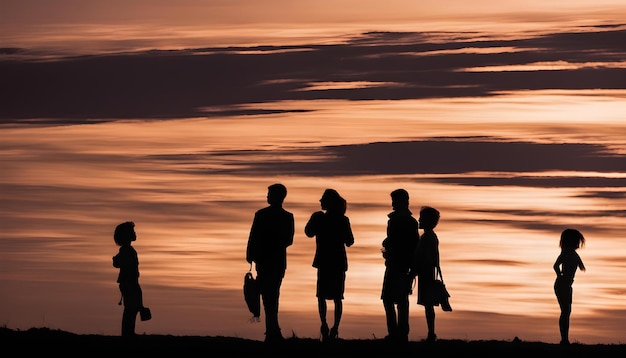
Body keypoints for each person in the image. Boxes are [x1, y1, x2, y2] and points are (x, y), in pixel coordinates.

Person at [246, 183, 295, 343]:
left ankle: (272, 331)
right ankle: (272, 330)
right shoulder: (286, 216)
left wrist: (252, 253)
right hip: (274, 261)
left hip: (268, 260)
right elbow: (288, 240)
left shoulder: (263, 215)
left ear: (277, 196)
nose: (267, 197)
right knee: (272, 295)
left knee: (269, 295)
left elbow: (254, 236)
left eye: (269, 194)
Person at [305, 189, 355, 342]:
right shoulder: (342, 219)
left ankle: (326, 325)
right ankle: (333, 327)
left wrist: (316, 219)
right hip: (336, 262)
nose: (320, 202)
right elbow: (350, 241)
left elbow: (308, 232)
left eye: (322, 199)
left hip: (326, 261)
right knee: (336, 297)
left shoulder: (324, 218)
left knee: (323, 296)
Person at [381, 189, 419, 344]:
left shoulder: (402, 221)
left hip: (399, 263)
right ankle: (399, 333)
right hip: (400, 263)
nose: (393, 203)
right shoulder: (409, 221)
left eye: (395, 200)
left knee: (391, 299)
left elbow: (408, 243)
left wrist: (388, 245)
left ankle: (398, 333)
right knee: (397, 300)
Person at [409, 206, 441, 343]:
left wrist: (413, 273)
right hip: (429, 273)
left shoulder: (427, 237)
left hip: (426, 274)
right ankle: (431, 333)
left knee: (428, 305)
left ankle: (431, 334)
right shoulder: (432, 236)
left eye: (421, 218)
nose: (419, 220)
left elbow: (423, 257)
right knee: (429, 306)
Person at [112, 221, 146, 339]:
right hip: (129, 283)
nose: (134, 233)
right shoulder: (126, 250)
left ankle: (129, 332)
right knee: (131, 309)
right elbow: (119, 263)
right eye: (132, 232)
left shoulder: (128, 250)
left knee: (133, 308)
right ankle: (127, 333)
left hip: (131, 282)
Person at [553, 228, 586, 345]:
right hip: (562, 284)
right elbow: (556, 265)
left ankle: (565, 339)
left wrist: (581, 266)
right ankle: (564, 339)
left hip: (567, 285)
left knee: (567, 312)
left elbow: (580, 264)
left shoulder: (573, 253)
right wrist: (560, 275)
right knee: (565, 311)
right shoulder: (566, 252)